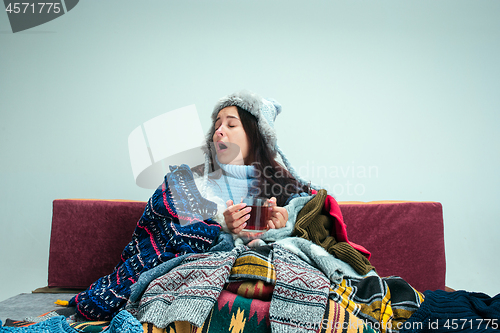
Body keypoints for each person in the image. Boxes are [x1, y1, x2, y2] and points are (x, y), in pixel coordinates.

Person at [192, 90, 313, 236]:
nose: (219, 131)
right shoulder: (195, 184)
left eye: (231, 125)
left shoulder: (284, 187)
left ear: (255, 136)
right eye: (217, 126)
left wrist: (285, 224)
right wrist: (221, 226)